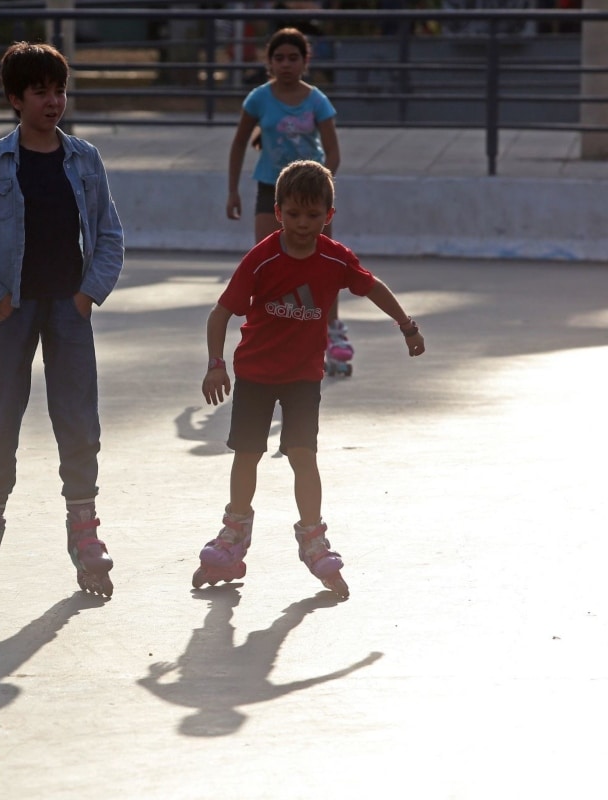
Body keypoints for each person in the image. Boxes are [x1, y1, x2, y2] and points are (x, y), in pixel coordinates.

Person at [0, 42, 125, 598]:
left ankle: (85, 530)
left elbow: (110, 233)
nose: (53, 101)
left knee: (78, 420)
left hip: (68, 309)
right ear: (15, 99)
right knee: (1, 422)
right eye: (40, 91)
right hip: (10, 311)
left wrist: (89, 293)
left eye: (59, 90)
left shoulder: (85, 159)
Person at [195, 160, 425, 599]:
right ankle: (234, 533)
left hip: (302, 379)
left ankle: (313, 538)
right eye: (294, 214)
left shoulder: (333, 258)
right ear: (278, 212)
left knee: (303, 455)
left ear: (329, 216)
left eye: (313, 215)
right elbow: (221, 311)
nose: (303, 224)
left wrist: (407, 325)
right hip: (256, 376)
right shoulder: (262, 259)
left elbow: (371, 285)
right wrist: (214, 363)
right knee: (247, 455)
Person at [225, 28, 354, 376]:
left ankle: (331, 328)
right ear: (269, 62)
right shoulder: (259, 99)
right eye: (278, 58)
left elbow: (334, 152)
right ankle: (269, 332)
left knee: (326, 263)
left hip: (311, 195)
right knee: (267, 263)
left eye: (293, 58)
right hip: (271, 189)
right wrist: (233, 190)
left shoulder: (317, 101)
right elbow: (239, 144)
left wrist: (320, 191)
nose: (285, 64)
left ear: (305, 61)